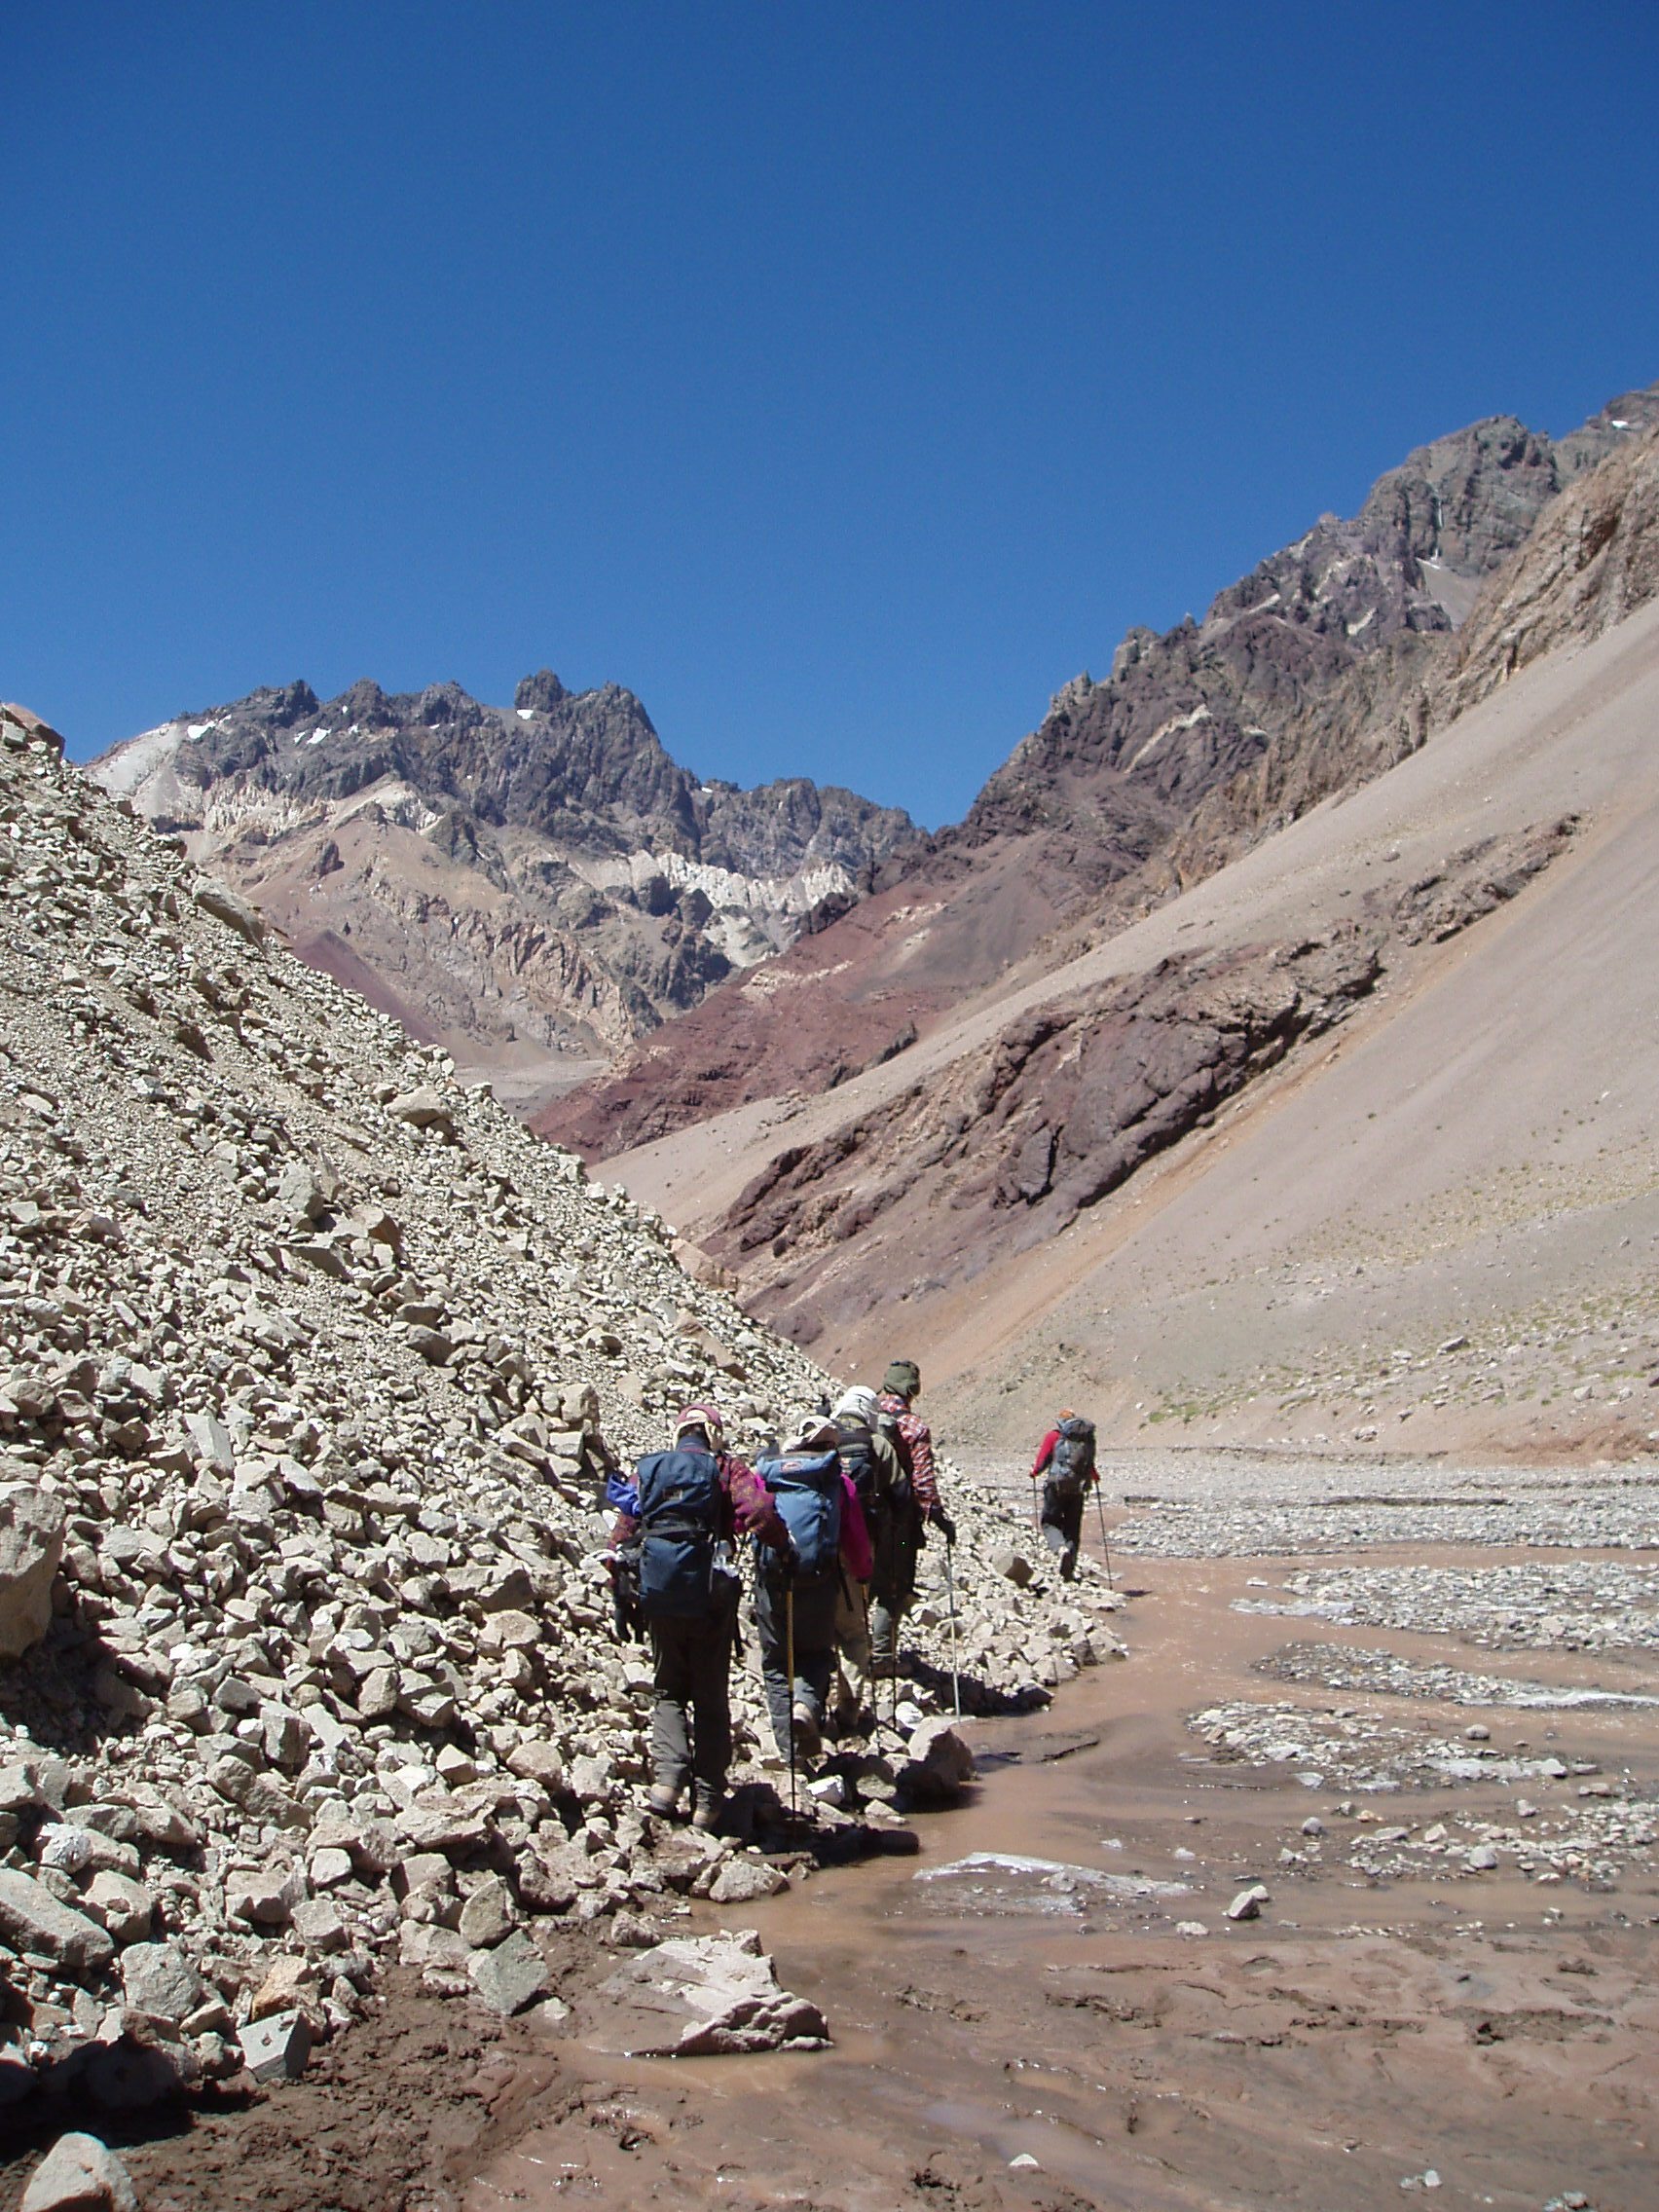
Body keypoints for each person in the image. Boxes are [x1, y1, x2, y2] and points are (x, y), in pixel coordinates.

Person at [608, 1403, 787, 1829]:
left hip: (660, 1594)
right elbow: (759, 1511)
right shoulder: (725, 1468)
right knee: (710, 1697)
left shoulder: (651, 1470)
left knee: (668, 1688)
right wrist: (783, 1546)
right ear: (714, 1434)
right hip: (710, 1597)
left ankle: (666, 1784)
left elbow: (621, 1534)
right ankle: (707, 1801)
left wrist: (622, 1589)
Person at [752, 1415, 854, 1765]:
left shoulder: (768, 1474)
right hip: (818, 1580)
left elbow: (746, 1516)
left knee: (776, 1662)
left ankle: (789, 1753)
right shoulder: (835, 1480)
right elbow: (853, 1534)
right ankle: (806, 1706)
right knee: (816, 1653)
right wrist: (862, 1573)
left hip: (773, 1580)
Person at [872, 1360, 955, 1699]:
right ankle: (881, 1657)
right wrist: (939, 1519)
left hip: (856, 1519)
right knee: (893, 1585)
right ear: (911, 1389)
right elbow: (923, 1484)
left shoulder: (861, 1417)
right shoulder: (913, 1427)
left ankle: (850, 1651)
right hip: (899, 1525)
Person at [829, 1384, 903, 1732]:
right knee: (854, 1631)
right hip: (858, 1548)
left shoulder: (821, 1437)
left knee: (816, 1629)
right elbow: (900, 1492)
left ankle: (808, 1705)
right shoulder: (876, 1444)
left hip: (813, 1550)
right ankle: (848, 1709)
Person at [1029, 1409, 1098, 1581]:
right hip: (1078, 1488)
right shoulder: (1085, 1439)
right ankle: (1069, 1569)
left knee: (1049, 1522)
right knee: (1072, 1528)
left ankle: (1060, 1549)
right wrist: (1094, 1477)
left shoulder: (1054, 1436)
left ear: (1059, 1421)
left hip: (1056, 1486)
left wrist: (1034, 1472)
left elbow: (1043, 1460)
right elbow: (1089, 1464)